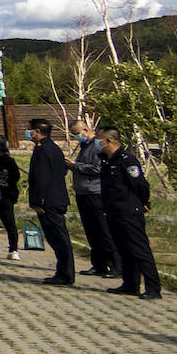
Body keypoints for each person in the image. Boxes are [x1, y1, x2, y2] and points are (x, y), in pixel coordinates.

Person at [98, 128, 162, 299]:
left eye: (100, 139)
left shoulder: (127, 160)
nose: (98, 143)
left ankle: (153, 288)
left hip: (129, 211)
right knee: (124, 249)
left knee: (139, 250)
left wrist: (143, 202)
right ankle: (130, 284)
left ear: (109, 141)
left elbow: (140, 184)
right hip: (113, 211)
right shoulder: (107, 160)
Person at [26, 119, 75, 286]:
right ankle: (62, 272)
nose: (28, 133)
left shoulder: (44, 150)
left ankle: (66, 274)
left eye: (30, 130)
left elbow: (41, 178)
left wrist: (38, 201)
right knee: (56, 238)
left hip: (49, 201)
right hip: (55, 198)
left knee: (59, 238)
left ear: (38, 132)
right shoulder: (53, 148)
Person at [70, 118, 116, 278]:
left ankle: (115, 265)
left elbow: (97, 169)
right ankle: (99, 264)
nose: (76, 137)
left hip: (95, 193)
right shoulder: (83, 146)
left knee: (103, 230)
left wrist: (75, 166)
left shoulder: (97, 146)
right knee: (91, 231)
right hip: (83, 193)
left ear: (85, 130)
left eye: (77, 134)